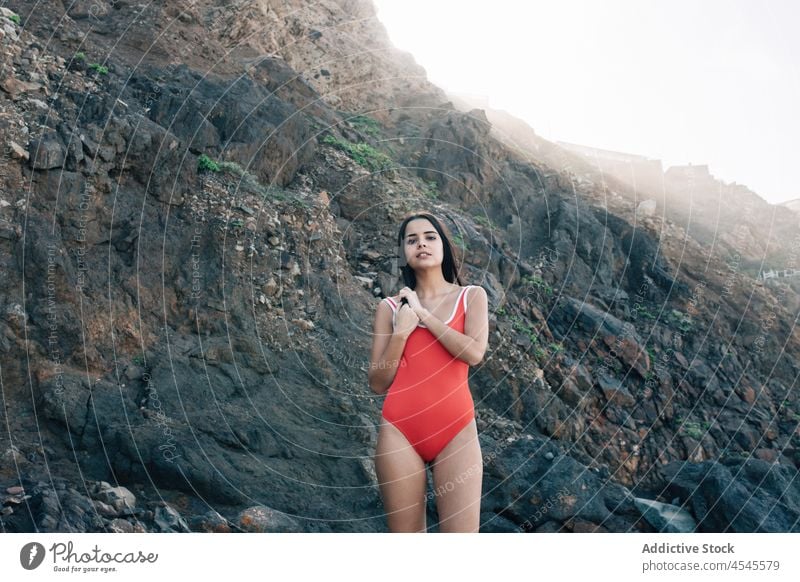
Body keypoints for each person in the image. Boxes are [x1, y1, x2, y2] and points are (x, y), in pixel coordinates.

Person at [368, 212, 489, 532]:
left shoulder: (472, 296)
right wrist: (401, 334)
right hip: (399, 432)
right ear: (404, 253)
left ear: (444, 247)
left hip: (457, 431)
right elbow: (378, 382)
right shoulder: (390, 309)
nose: (421, 243)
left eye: (429, 237)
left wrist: (424, 316)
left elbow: (474, 353)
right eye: (412, 240)